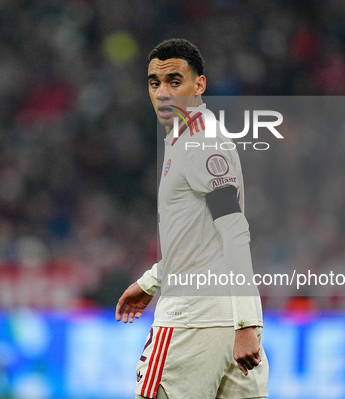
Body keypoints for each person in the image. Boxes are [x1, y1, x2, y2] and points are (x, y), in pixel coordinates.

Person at [115, 39, 268, 399]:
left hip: (191, 322)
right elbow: (199, 240)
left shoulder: (200, 142)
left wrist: (247, 321)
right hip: (223, 323)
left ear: (199, 85)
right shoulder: (189, 139)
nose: (163, 93)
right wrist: (153, 280)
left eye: (174, 81)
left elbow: (233, 231)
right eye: (155, 83)